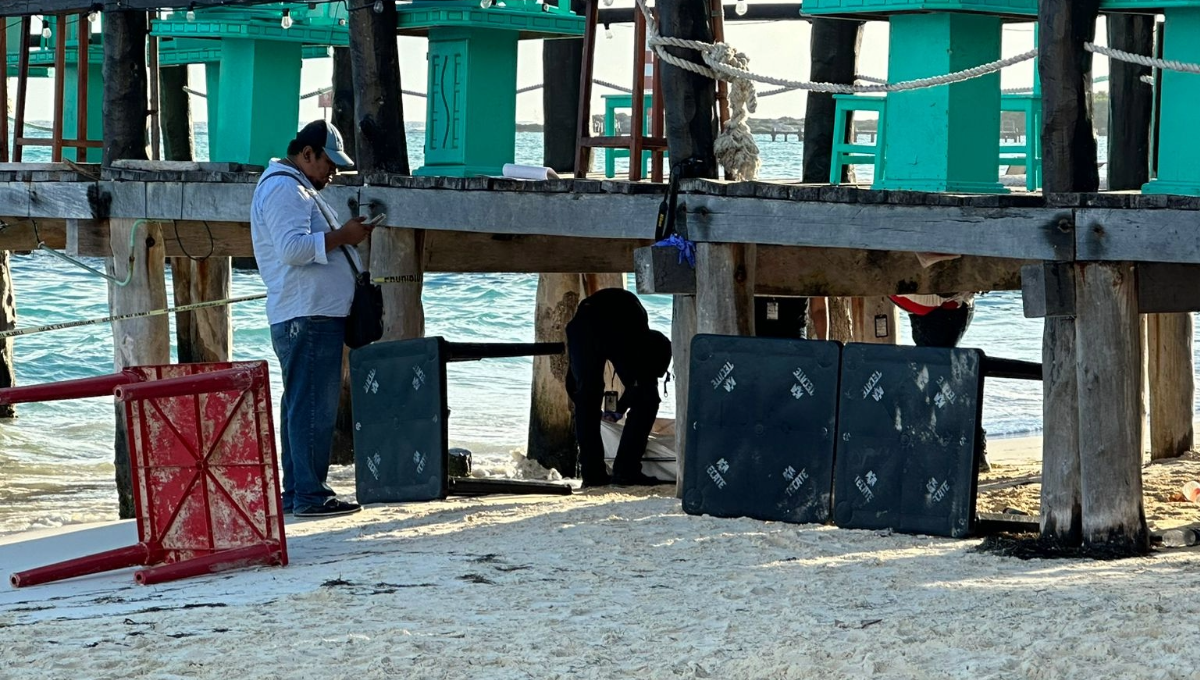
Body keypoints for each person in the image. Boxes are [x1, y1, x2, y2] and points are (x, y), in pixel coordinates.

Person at [251, 120, 374, 518]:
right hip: (307, 313)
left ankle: (298, 491)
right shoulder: (286, 188)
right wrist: (345, 236)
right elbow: (292, 249)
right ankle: (309, 494)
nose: (333, 172)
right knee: (313, 407)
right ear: (307, 154)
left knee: (301, 404)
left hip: (308, 312)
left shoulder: (291, 185)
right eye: (328, 162)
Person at [565, 288, 672, 487]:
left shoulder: (637, 326)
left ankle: (592, 474)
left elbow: (573, 386)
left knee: (586, 402)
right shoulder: (638, 336)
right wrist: (625, 404)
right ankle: (626, 471)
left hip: (581, 325)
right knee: (648, 400)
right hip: (613, 323)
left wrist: (617, 410)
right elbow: (640, 385)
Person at [889, 292, 989, 471]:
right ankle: (968, 448)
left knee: (941, 385)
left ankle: (969, 448)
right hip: (944, 309)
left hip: (945, 309)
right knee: (940, 383)